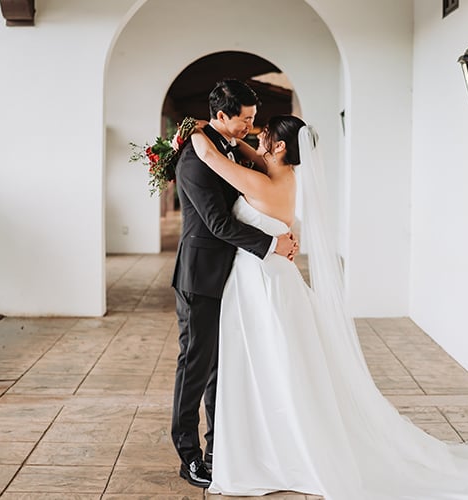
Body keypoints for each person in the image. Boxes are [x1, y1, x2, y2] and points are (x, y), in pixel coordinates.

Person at [187, 114, 468, 499]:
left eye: (264, 135)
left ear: (279, 147)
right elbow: (251, 154)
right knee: (277, 364)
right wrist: (231, 135)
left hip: (263, 283)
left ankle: (278, 450)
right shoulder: (282, 175)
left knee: (272, 364)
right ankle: (270, 443)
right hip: (271, 278)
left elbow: (213, 160)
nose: (256, 137)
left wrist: (196, 133)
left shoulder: (263, 183)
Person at [170, 80, 298, 489]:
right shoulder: (194, 158)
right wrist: (271, 244)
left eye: (253, 119)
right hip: (201, 274)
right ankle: (189, 455)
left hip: (230, 274)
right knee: (195, 364)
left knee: (219, 367)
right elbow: (218, 223)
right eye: (244, 119)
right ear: (221, 115)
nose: (250, 126)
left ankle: (217, 448)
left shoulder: (222, 145)